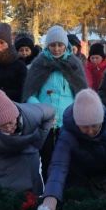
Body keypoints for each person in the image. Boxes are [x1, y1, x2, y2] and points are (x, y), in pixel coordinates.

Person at [35, 89, 106, 210]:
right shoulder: (67, 134)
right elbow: (59, 166)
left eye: (94, 126)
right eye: (84, 127)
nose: (90, 131)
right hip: (78, 176)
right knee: (77, 208)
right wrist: (50, 199)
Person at [22, 25, 87, 181]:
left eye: (60, 45)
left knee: (69, 161)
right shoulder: (39, 65)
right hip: (46, 124)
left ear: (66, 45)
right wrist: (40, 108)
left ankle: (67, 196)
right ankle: (49, 197)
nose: (57, 49)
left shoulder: (74, 64)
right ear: (47, 45)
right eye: (53, 45)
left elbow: (82, 94)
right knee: (48, 161)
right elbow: (29, 93)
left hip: (68, 123)